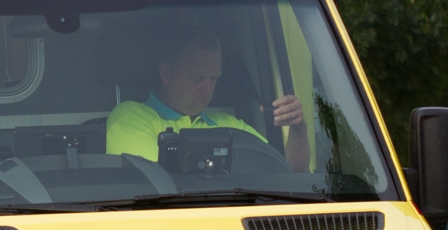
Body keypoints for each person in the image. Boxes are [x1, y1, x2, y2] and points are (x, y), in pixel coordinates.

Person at [106, 29, 308, 168]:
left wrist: (298, 130)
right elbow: (156, 187)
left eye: (214, 78)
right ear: (166, 73)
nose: (208, 89)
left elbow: (285, 175)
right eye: (198, 78)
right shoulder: (132, 117)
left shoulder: (230, 125)